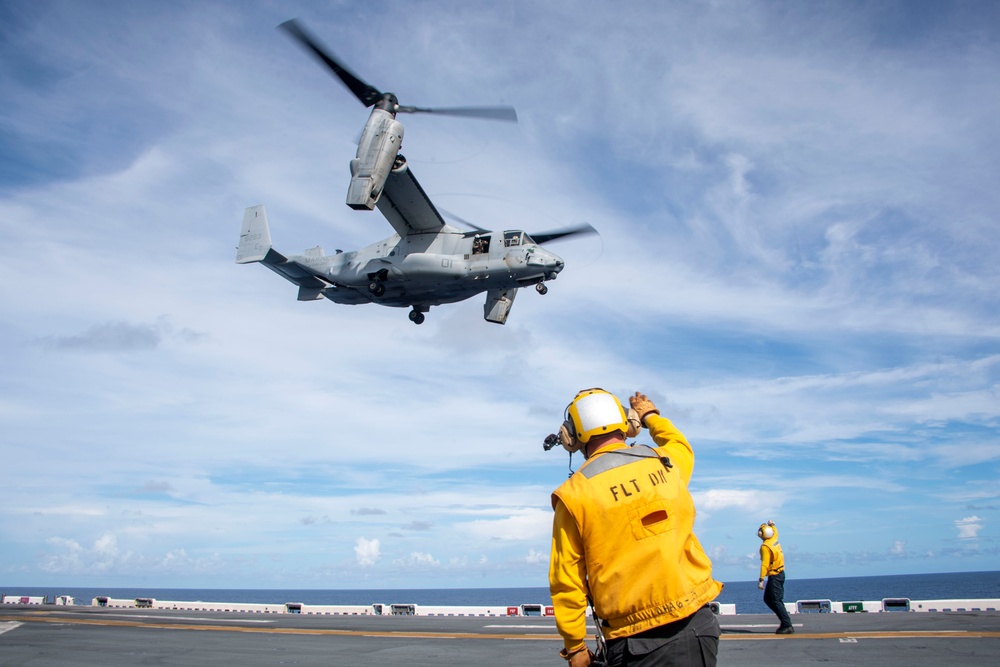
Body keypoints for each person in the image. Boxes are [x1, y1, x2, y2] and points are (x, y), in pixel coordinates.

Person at [548, 388, 723, 666]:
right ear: (628, 424)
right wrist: (651, 415)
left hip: (637, 640)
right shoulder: (666, 462)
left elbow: (565, 579)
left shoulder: (573, 495)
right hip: (699, 625)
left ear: (571, 436)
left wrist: (575, 646)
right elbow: (679, 443)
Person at [757, 520, 793, 634]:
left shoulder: (765, 547)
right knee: (768, 599)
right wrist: (772, 525)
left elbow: (765, 564)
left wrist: (761, 579)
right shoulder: (774, 539)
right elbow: (776, 532)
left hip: (774, 576)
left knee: (776, 601)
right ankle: (784, 621)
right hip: (780, 574)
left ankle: (787, 624)